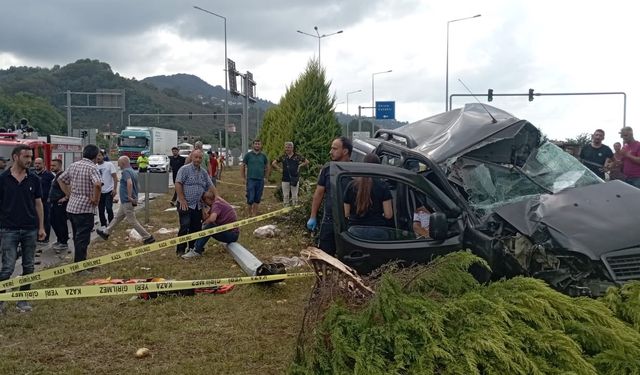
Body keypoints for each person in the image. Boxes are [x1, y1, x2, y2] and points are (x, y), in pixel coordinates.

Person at [0, 145, 46, 313]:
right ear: (15, 157)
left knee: (29, 266)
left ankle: (23, 299)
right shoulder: (3, 179)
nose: (29, 160)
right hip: (8, 229)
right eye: (26, 157)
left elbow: (38, 203)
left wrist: (41, 227)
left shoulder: (34, 179)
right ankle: (1, 299)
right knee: (7, 267)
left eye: (31, 157)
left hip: (29, 229)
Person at [307, 137, 352, 256]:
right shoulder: (328, 169)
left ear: (345, 151)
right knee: (326, 255)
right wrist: (313, 216)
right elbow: (319, 193)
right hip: (329, 219)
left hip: (350, 221)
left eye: (334, 149)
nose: (330, 151)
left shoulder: (356, 170)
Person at [57, 144, 102, 263]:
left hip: (72, 207)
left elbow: (60, 179)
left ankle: (79, 261)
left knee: (77, 236)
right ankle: (80, 265)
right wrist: (96, 200)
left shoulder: (74, 165)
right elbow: (97, 184)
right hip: (85, 209)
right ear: (95, 156)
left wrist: (68, 194)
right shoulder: (92, 168)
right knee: (83, 239)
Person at [96, 156, 155, 244]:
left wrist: (130, 196)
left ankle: (148, 237)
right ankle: (106, 233)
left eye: (119, 163)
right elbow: (137, 185)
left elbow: (130, 183)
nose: (118, 165)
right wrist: (135, 196)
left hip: (127, 201)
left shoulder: (126, 171)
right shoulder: (133, 171)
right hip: (127, 201)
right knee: (117, 218)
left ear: (123, 163)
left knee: (132, 221)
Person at [342, 153, 393, 239]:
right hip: (378, 232)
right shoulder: (383, 186)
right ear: (379, 167)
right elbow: (388, 214)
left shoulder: (351, 185)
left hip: (354, 232)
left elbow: (346, 213)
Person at [175, 149, 213, 256]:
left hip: (197, 205)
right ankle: (180, 249)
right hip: (185, 203)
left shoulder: (203, 172)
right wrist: (182, 199)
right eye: (196, 157)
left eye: (200, 158)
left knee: (195, 227)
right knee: (185, 226)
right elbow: (178, 183)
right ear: (191, 157)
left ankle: (192, 248)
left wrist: (216, 197)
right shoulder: (184, 169)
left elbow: (210, 186)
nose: (198, 159)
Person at [182, 188, 239, 259]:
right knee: (209, 225)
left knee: (210, 226)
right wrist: (202, 207)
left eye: (204, 201)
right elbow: (206, 217)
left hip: (232, 234)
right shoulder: (216, 204)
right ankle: (197, 247)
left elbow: (212, 219)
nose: (205, 204)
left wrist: (205, 224)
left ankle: (196, 251)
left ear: (208, 199)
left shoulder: (217, 204)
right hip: (229, 232)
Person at [272, 142, 309, 206]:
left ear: (292, 148)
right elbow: (273, 163)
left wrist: (300, 166)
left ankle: (294, 209)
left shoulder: (297, 156)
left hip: (294, 178)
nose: (287, 149)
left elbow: (307, 161)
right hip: (285, 179)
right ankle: (286, 209)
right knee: (285, 196)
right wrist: (279, 169)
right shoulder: (283, 157)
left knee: (294, 196)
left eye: (288, 147)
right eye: (286, 147)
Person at [241, 139, 270, 216]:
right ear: (253, 145)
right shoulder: (248, 155)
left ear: (261, 145)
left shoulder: (263, 156)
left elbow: (267, 166)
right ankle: (249, 213)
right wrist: (243, 178)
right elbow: (243, 166)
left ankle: (254, 214)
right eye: (256, 144)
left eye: (259, 144)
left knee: (257, 197)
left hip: (260, 179)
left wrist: (266, 177)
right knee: (250, 197)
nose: (257, 145)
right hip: (251, 179)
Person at [48, 159, 70, 254]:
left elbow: (69, 188)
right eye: (51, 165)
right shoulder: (55, 176)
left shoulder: (62, 176)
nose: (52, 167)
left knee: (60, 223)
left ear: (60, 166)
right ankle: (59, 240)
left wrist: (65, 198)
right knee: (53, 222)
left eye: (54, 165)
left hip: (60, 204)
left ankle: (63, 242)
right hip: (53, 203)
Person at [33, 157, 55, 245]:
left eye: (39, 163)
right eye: (35, 163)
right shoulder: (32, 175)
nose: (37, 165)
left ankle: (45, 239)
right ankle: (36, 237)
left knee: (45, 220)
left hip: (45, 202)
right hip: (34, 202)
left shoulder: (49, 175)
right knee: (35, 220)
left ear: (43, 164)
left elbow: (54, 187)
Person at [96, 150, 118, 229]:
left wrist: (114, 189)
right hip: (99, 192)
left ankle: (111, 224)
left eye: (99, 155)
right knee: (100, 210)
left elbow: (115, 177)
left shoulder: (109, 165)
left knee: (109, 208)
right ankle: (103, 225)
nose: (98, 157)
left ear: (103, 156)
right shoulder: (94, 166)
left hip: (109, 191)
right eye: (96, 156)